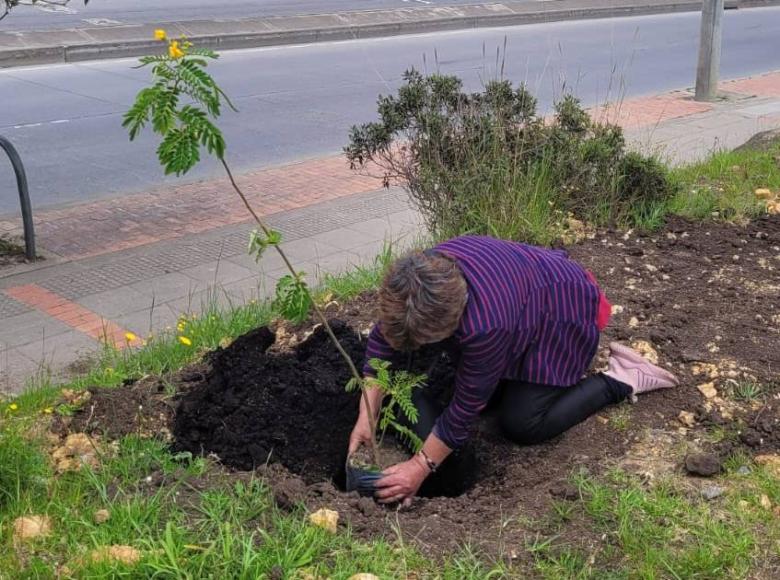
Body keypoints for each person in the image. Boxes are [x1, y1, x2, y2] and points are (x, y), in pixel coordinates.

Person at [347, 235, 679, 505]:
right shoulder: (418, 281)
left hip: (560, 310)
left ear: (454, 322)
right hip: (519, 295)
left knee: (522, 423)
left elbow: (464, 409)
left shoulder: (484, 327)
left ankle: (619, 378)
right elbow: (384, 339)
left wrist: (420, 467)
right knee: (458, 386)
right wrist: (368, 412)